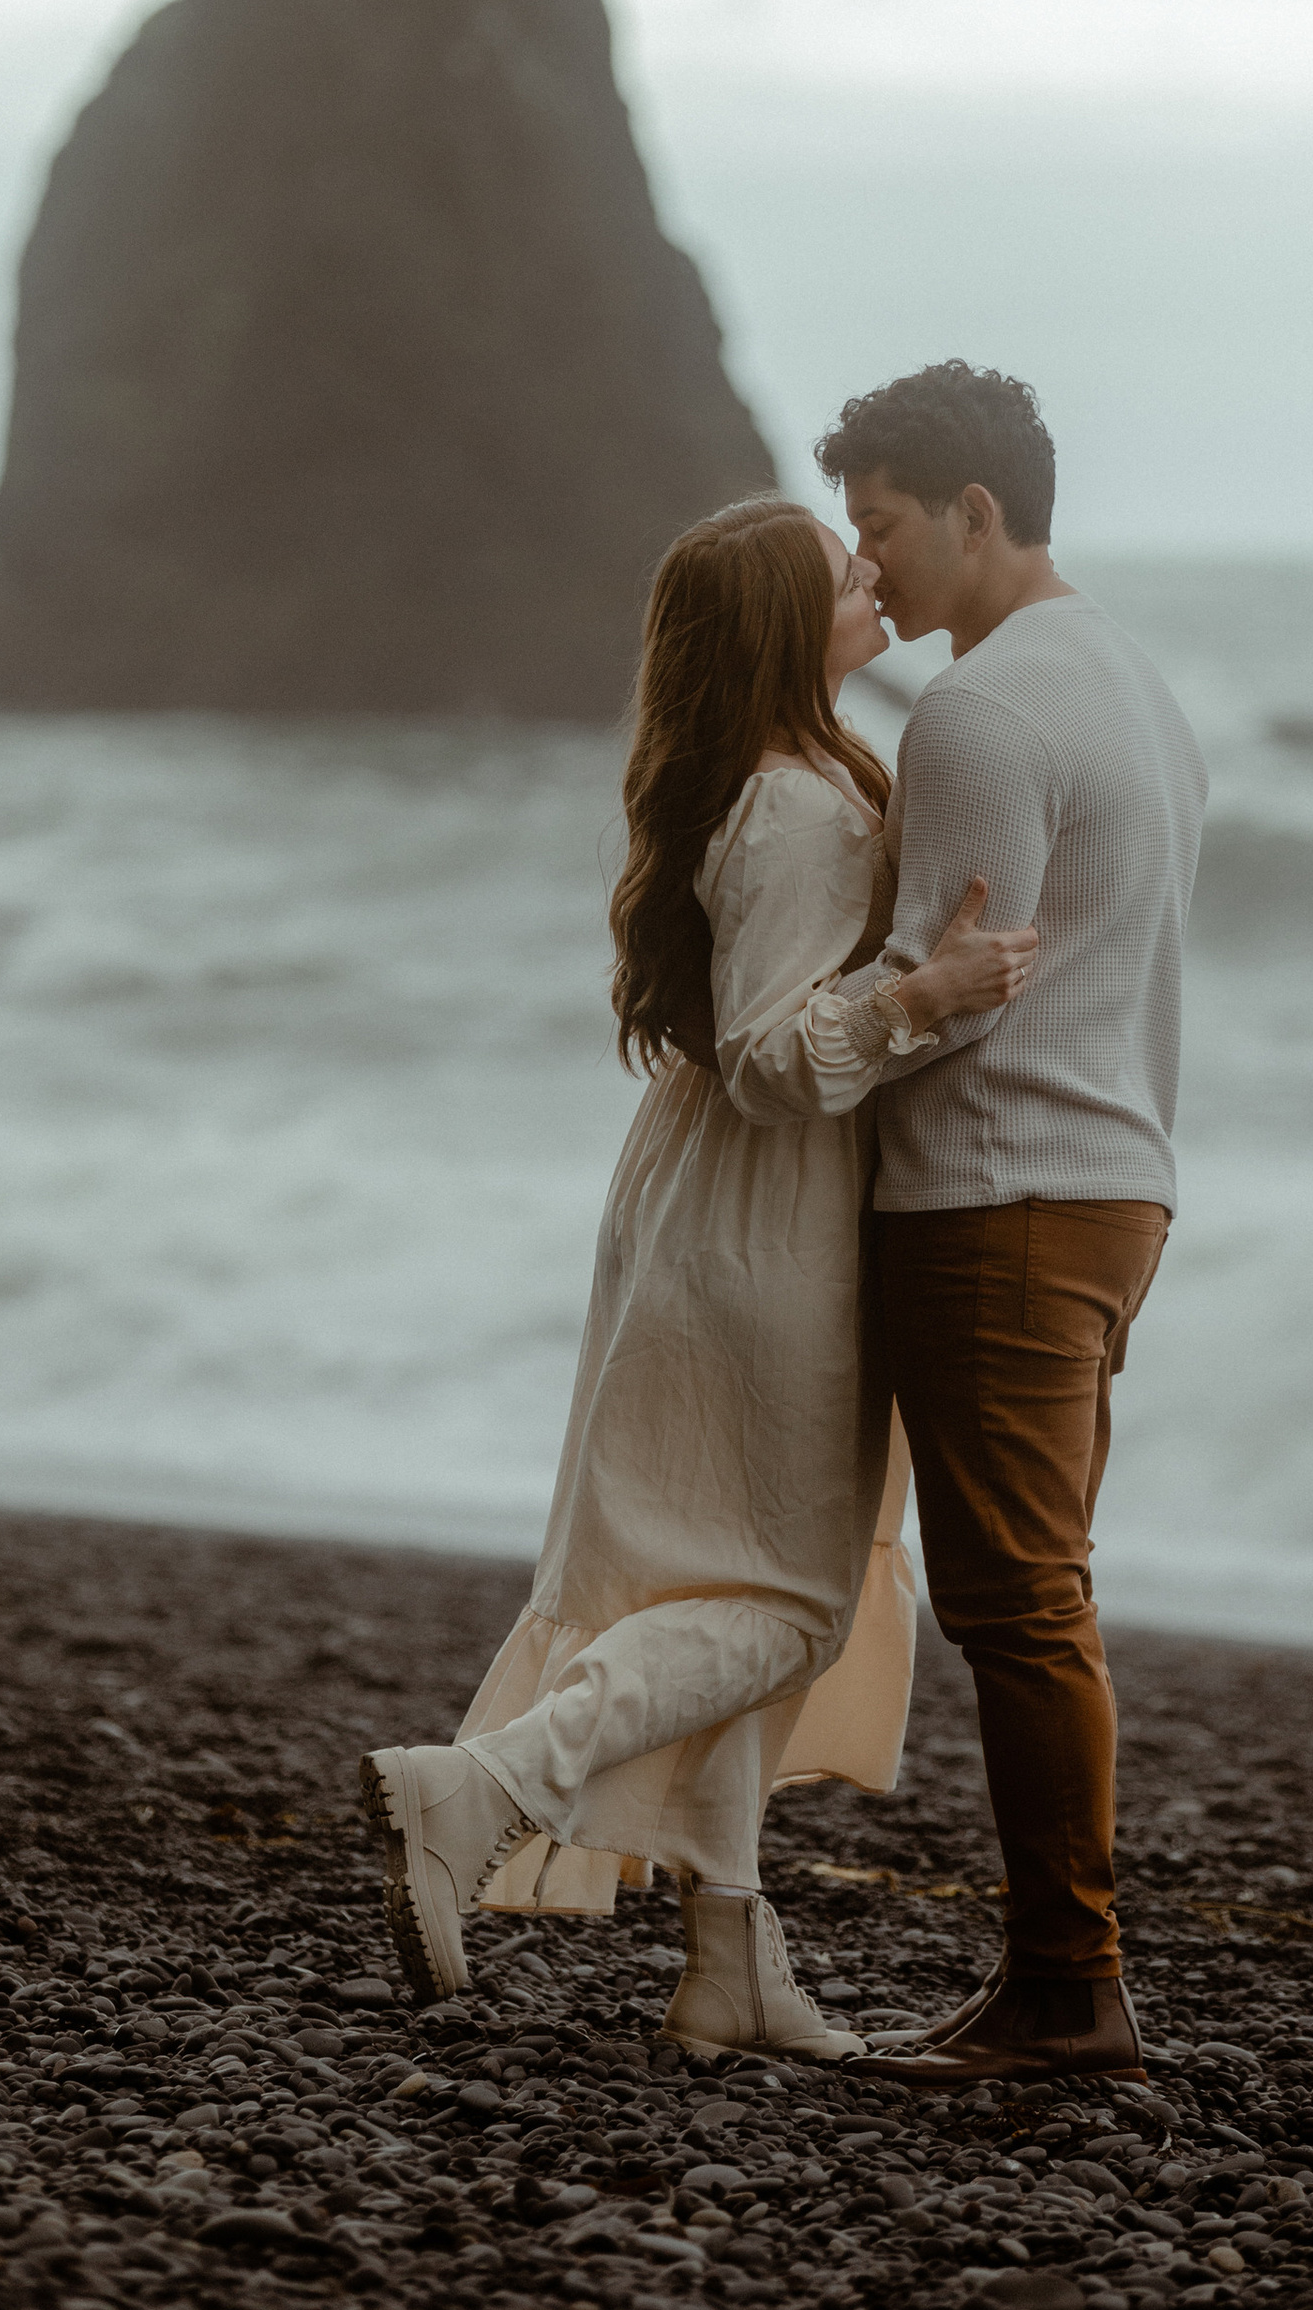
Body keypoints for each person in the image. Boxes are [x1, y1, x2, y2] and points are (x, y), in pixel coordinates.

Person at [360, 495, 1039, 2058]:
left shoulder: (779, 781)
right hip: (765, 1221)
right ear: (777, 629)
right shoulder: (796, 806)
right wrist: (925, 994)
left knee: (734, 1582)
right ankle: (480, 1791)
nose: (867, 575)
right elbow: (771, 1057)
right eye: (837, 567)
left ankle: (730, 1960)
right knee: (790, 1604)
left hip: (721, 1209)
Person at [812, 360, 1207, 2091]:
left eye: (884, 528)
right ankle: (1055, 1979)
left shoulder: (974, 714)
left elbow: (953, 992)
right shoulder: (1133, 678)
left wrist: (795, 1021)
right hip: (1114, 1181)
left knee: (1021, 1606)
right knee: (1034, 1594)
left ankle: (1069, 1988)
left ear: (976, 513)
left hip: (998, 1191)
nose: (871, 571)